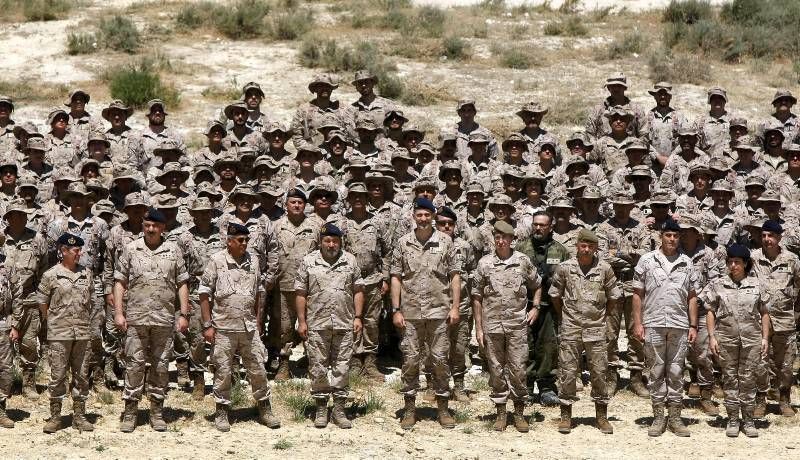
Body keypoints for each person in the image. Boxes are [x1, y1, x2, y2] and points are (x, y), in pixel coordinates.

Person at [113, 208, 190, 432]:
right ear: (143, 226)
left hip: (163, 319)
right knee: (134, 364)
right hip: (136, 318)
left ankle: (157, 411)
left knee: (161, 365)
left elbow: (182, 284)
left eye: (155, 226)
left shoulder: (173, 251)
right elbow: (119, 282)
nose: (150, 229)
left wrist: (183, 314)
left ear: (163, 227)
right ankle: (130, 412)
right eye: (147, 225)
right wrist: (119, 313)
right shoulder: (131, 249)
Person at [199, 223, 280, 432]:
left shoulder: (253, 261)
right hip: (223, 326)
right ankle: (222, 410)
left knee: (258, 369)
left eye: (246, 240)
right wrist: (207, 325)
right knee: (223, 370)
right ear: (229, 241)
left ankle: (264, 408)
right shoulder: (217, 260)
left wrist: (259, 321)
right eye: (240, 240)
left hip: (249, 326)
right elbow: (204, 293)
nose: (244, 243)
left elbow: (258, 293)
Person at [391, 197, 462, 430]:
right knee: (410, 360)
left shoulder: (446, 242)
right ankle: (410, 408)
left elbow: (454, 276)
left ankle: (442, 408)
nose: (423, 219)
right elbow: (396, 277)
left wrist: (454, 307)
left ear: (433, 216)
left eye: (427, 215)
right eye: (419, 215)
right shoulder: (403, 243)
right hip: (410, 312)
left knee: (440, 359)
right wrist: (396, 309)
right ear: (413, 216)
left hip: (439, 310)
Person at [472, 221, 541, 432]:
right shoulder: (484, 263)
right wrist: (479, 328)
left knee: (518, 368)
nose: (501, 241)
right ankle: (501, 412)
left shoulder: (522, 261)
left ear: (512, 240)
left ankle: (519, 412)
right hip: (492, 325)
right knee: (495, 369)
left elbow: (537, 285)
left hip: (516, 325)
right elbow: (476, 296)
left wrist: (535, 307)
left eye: (505, 237)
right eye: (497, 237)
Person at [550, 228, 621, 434]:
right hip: (571, 327)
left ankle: (601, 416)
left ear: (596, 248)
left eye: (591, 246)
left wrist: (601, 318)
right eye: (583, 245)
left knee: (599, 371)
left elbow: (614, 297)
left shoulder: (605, 269)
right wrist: (564, 317)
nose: (587, 249)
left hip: (595, 328)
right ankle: (566, 416)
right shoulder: (565, 268)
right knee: (568, 371)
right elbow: (555, 295)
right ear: (577, 246)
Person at [632, 218, 699, 437]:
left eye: (675, 235)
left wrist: (693, 325)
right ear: (660, 236)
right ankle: (659, 416)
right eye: (668, 235)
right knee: (656, 370)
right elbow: (638, 294)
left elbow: (692, 297)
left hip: (679, 324)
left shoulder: (687, 262)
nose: (672, 239)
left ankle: (676, 418)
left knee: (676, 371)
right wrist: (638, 323)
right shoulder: (646, 261)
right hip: (653, 323)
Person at [295, 223, 365, 429]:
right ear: (320, 242)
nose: (331, 244)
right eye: (327, 241)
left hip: (344, 321)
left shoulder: (350, 260)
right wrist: (302, 320)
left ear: (340, 242)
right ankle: (321, 408)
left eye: (335, 241)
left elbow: (358, 289)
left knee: (342, 366)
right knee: (317, 365)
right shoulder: (308, 262)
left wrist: (358, 317)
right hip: (317, 322)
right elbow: (300, 292)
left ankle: (340, 409)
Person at [703, 244, 770, 438]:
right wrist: (712, 337)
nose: (733, 266)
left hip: (752, 340)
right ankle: (732, 419)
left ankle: (748, 421)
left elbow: (765, 312)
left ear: (745, 264)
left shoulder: (757, 284)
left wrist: (765, 338)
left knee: (748, 379)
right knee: (730, 378)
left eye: (737, 262)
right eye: (730, 262)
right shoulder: (718, 284)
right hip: (726, 339)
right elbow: (710, 311)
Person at [38, 233, 94, 433]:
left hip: (82, 332)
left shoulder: (87, 273)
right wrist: (52, 321)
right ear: (63, 251)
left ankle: (79, 416)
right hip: (59, 333)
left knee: (81, 375)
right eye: (75, 250)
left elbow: (92, 301)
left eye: (80, 250)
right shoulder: (51, 275)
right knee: (58, 375)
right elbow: (42, 302)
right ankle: (55, 417)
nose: (79, 253)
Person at [516, 211, 569, 405]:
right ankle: (527, 387)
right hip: (524, 306)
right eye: (535, 224)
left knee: (548, 347)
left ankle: (547, 387)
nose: (538, 228)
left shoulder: (560, 251)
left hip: (550, 307)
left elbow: (567, 280)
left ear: (550, 227)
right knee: (526, 346)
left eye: (542, 225)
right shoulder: (521, 249)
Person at [749, 220, 800, 418]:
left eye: (771, 236)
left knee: (786, 363)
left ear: (779, 237)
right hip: (759, 321)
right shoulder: (753, 258)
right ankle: (760, 400)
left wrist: (797, 314)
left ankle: (784, 399)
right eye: (764, 236)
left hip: (785, 319)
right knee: (760, 362)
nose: (767, 239)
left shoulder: (792, 260)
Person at [0, 251, 16, 428]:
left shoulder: (8, 266)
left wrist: (15, 324)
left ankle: (1, 409)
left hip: (2, 322)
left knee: (5, 368)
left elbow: (18, 295)